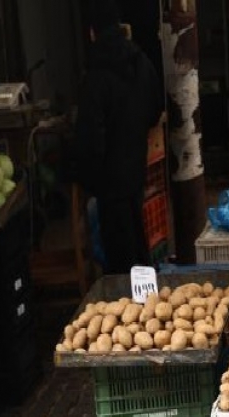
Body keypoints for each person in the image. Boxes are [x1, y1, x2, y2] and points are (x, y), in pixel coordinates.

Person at [73, 0, 163, 274]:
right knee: (138, 241)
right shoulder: (141, 62)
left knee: (119, 254)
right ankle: (147, 297)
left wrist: (87, 177)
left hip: (109, 182)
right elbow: (154, 110)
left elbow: (90, 137)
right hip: (135, 169)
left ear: (92, 32)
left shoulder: (95, 77)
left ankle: (129, 305)